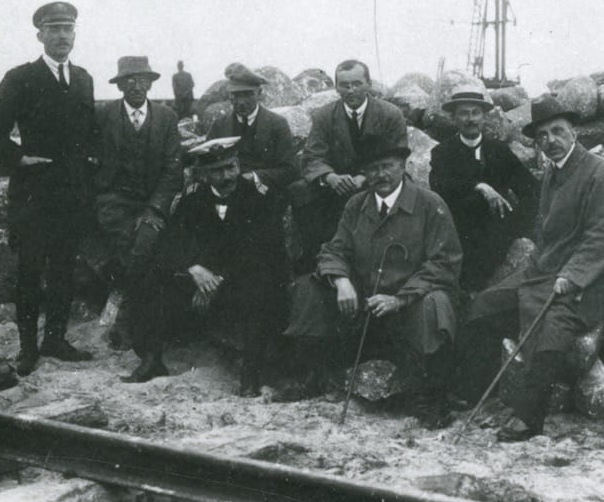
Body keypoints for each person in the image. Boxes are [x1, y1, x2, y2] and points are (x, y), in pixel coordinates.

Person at [463, 95, 604, 442]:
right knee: (484, 305)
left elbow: (603, 235)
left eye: (557, 131)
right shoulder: (552, 173)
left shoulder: (603, 173)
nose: (550, 140)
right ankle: (474, 393)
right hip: (544, 269)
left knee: (554, 323)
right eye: (542, 136)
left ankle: (529, 416)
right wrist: (540, 263)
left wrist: (573, 276)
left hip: (589, 278)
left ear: (574, 132)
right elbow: (545, 231)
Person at [276, 137, 462, 429]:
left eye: (387, 166)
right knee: (308, 288)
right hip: (364, 306)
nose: (380, 175)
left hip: (408, 308)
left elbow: (444, 262)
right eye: (373, 169)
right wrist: (341, 281)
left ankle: (430, 397)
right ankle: (310, 375)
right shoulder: (357, 204)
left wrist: (400, 299)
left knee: (435, 303)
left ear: (403, 166)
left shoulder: (430, 204)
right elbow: (335, 250)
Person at [0, 2, 98, 376]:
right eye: (55, 29)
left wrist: (90, 164)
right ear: (40, 35)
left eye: (68, 29)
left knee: (64, 269)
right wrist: (19, 159)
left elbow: (88, 134)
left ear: (75, 34)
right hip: (34, 194)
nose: (63, 36)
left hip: (72, 194)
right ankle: (28, 348)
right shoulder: (20, 78)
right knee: (30, 271)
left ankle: (56, 340)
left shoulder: (84, 79)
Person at [122, 137, 289, 391]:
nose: (227, 176)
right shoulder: (193, 198)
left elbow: (267, 251)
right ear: (204, 174)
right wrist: (194, 269)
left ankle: (250, 375)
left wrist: (217, 280)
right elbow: (171, 242)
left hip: (243, 279)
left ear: (238, 165)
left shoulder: (261, 198)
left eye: (231, 167)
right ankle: (151, 358)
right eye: (217, 171)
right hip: (201, 278)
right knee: (152, 276)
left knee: (262, 286)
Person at [93, 56, 183, 352]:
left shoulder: (166, 117)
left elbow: (173, 171)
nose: (136, 86)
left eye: (142, 80)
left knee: (144, 245)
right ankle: (136, 326)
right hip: (114, 203)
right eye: (129, 81)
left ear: (150, 84)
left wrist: (154, 209)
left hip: (152, 203)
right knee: (129, 245)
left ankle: (125, 316)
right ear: (120, 86)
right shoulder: (104, 115)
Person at [293, 59, 407, 273]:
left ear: (369, 84)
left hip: (378, 179)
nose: (351, 90)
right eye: (345, 85)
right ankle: (313, 260)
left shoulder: (390, 114)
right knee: (300, 191)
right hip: (336, 185)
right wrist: (330, 177)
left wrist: (366, 177)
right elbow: (313, 156)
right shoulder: (324, 116)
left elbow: (398, 155)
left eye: (357, 84)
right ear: (336, 87)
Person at [429, 85, 537, 292]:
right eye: (464, 113)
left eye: (475, 113)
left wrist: (518, 227)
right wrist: (478, 186)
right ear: (454, 118)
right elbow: (439, 186)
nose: (470, 119)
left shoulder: (499, 151)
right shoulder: (442, 153)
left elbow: (531, 189)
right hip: (459, 239)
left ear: (484, 117)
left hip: (497, 241)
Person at [206, 62, 299, 197]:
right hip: (227, 193)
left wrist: (255, 176)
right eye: (236, 95)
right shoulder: (219, 125)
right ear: (229, 95)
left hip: (265, 195)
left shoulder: (277, 124)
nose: (241, 101)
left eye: (247, 94)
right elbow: (207, 164)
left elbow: (290, 170)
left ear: (259, 93)